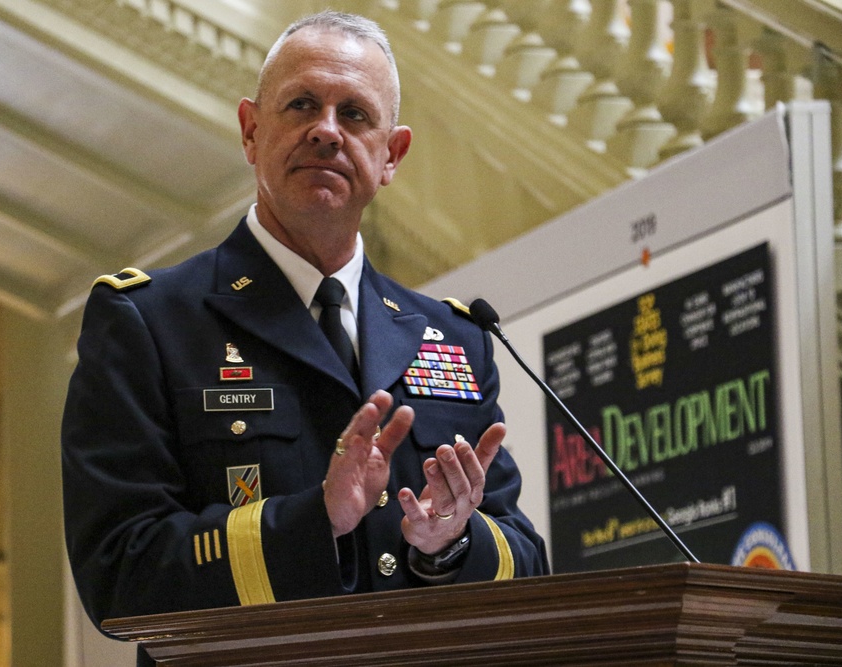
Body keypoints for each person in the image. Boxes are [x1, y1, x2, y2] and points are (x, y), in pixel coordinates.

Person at [61, 10, 549, 664]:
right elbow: (118, 575)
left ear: (392, 155)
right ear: (251, 130)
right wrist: (314, 522)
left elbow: (528, 559)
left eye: (354, 114)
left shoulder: (455, 336)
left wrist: (448, 542)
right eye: (301, 105)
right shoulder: (149, 320)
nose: (326, 130)